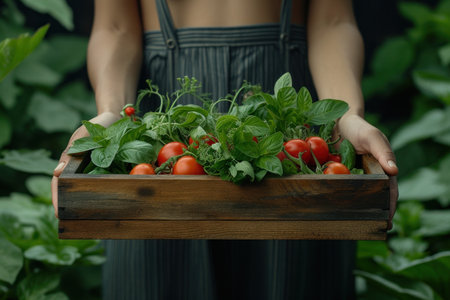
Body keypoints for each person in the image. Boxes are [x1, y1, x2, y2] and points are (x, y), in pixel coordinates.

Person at [52, 0, 399, 299]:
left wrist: (346, 115)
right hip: (164, 144)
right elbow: (115, 26)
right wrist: (112, 113)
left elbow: (333, 20)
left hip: (286, 142)